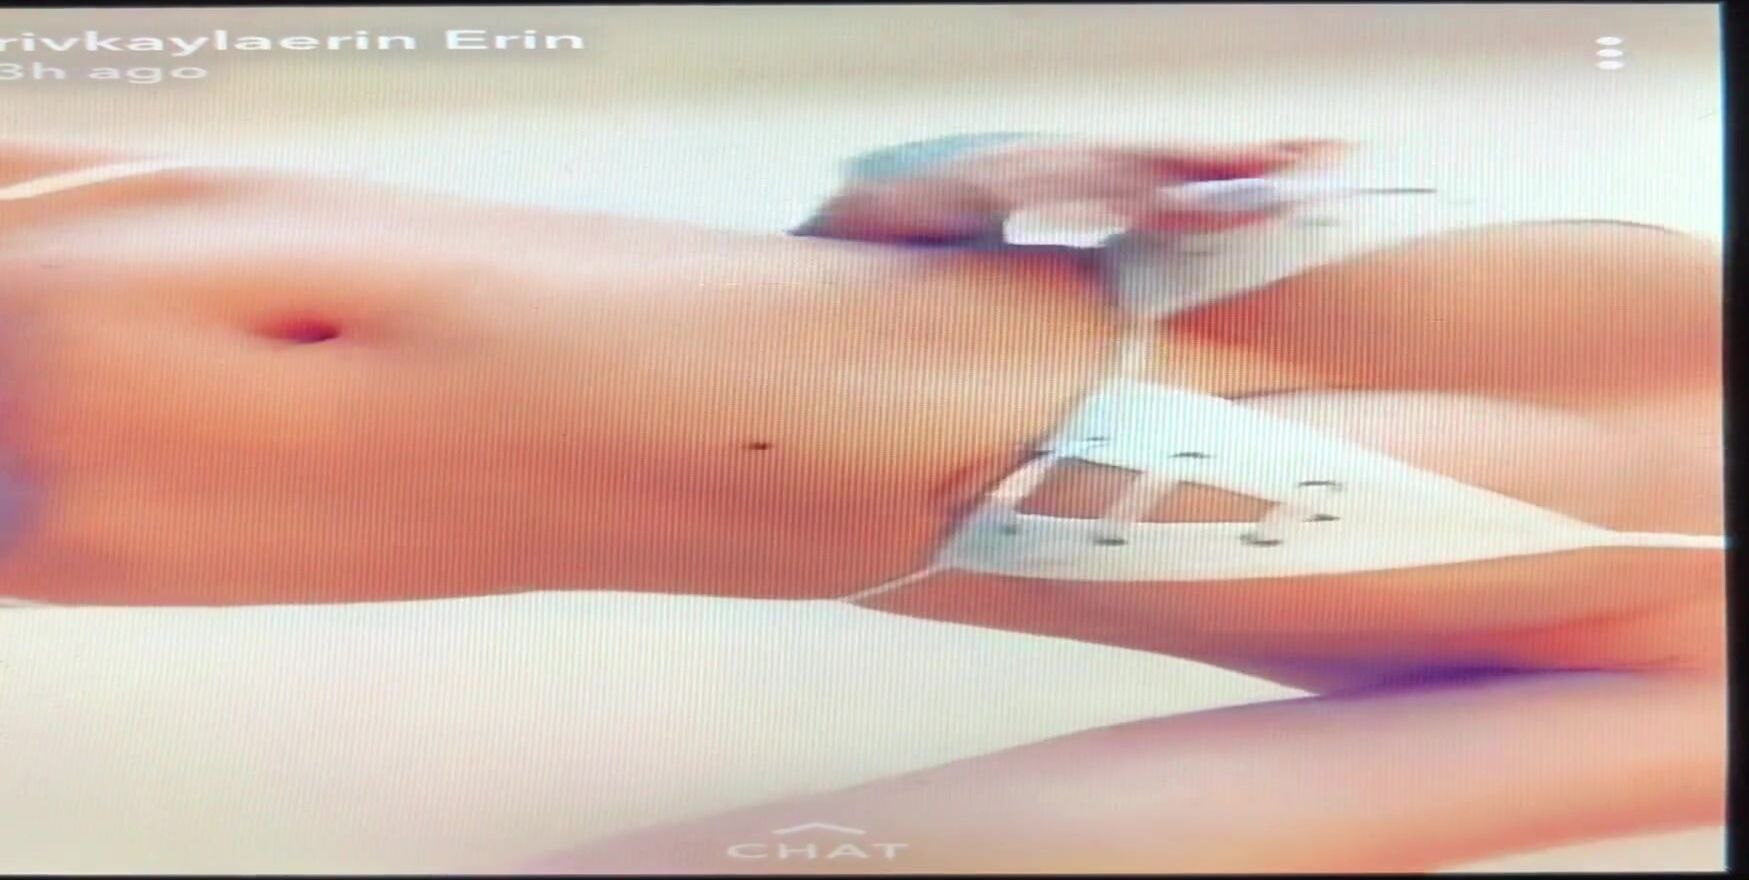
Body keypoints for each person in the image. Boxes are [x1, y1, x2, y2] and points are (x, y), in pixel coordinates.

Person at [0, 135, 1724, 872]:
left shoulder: (1697, 691)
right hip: (113, 221)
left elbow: (1022, 850)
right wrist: (912, 204)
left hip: (101, 464)